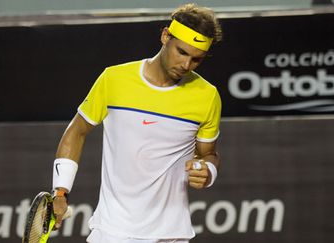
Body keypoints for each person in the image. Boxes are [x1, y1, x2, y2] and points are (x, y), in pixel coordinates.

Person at [51, 3, 223, 243]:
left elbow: (208, 154)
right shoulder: (114, 79)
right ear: (165, 36)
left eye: (196, 60)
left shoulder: (208, 96)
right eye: (181, 52)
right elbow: (77, 131)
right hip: (112, 232)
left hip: (172, 235)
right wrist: (60, 191)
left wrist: (209, 172)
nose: (186, 65)